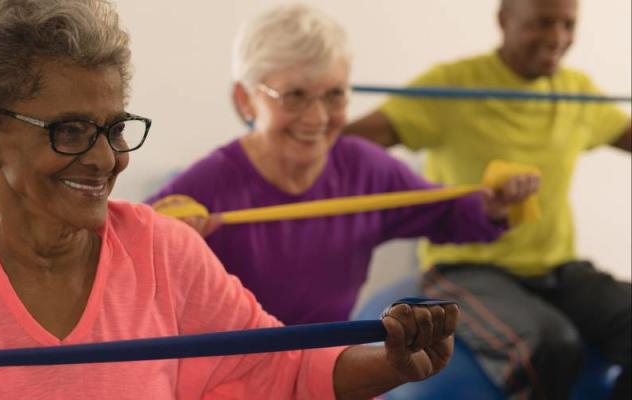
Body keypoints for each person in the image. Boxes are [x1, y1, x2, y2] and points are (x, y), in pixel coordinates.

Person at [0, 1, 460, 399]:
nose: (105, 158)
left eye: (110, 127)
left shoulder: (164, 253)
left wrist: (395, 360)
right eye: (69, 131)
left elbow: (283, 372)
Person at [146, 4, 539, 326]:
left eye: (334, 95)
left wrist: (496, 202)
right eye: (295, 96)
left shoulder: (364, 168)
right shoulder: (207, 184)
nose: (317, 117)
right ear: (246, 100)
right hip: (231, 377)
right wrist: (165, 245)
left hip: (331, 367)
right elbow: (122, 250)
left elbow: (450, 213)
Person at [344, 0, 632, 398]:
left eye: (568, 25)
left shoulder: (576, 92)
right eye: (542, 23)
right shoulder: (453, 85)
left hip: (557, 268)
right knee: (551, 345)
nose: (557, 38)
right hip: (467, 267)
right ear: (504, 20)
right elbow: (349, 144)